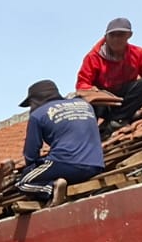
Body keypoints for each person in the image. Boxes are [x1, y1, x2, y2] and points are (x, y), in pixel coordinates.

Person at [77, 17, 142, 135]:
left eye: (120, 35)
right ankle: (90, 133)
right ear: (106, 37)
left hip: (124, 100)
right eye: (112, 35)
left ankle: (117, 120)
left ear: (129, 36)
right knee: (83, 101)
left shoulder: (137, 54)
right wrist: (94, 92)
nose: (116, 39)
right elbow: (82, 85)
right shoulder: (93, 57)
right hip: (103, 101)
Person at [15, 79, 106, 207]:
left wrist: (32, 168)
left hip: (66, 164)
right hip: (96, 165)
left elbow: (30, 155)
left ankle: (53, 187)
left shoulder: (37, 115)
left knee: (22, 183)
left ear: (34, 101)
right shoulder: (84, 104)